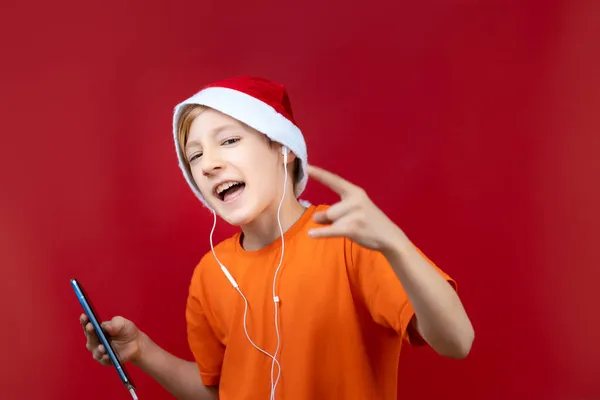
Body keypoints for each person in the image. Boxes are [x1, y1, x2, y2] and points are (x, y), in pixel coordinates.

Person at [80, 76, 474, 400]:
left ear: (283, 148)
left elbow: (457, 341)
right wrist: (141, 352)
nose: (210, 164)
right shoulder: (211, 275)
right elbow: (219, 393)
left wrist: (395, 246)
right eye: (195, 156)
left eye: (229, 140)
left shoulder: (349, 240)